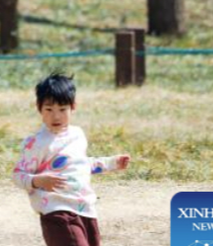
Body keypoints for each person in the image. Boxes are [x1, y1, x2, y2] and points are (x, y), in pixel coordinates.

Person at [12, 73, 130, 246]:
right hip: (56, 211)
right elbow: (18, 175)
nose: (56, 116)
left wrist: (111, 163)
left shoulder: (77, 134)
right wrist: (37, 181)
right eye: (49, 109)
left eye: (62, 109)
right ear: (39, 108)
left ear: (73, 107)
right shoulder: (35, 143)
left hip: (85, 209)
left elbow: (81, 165)